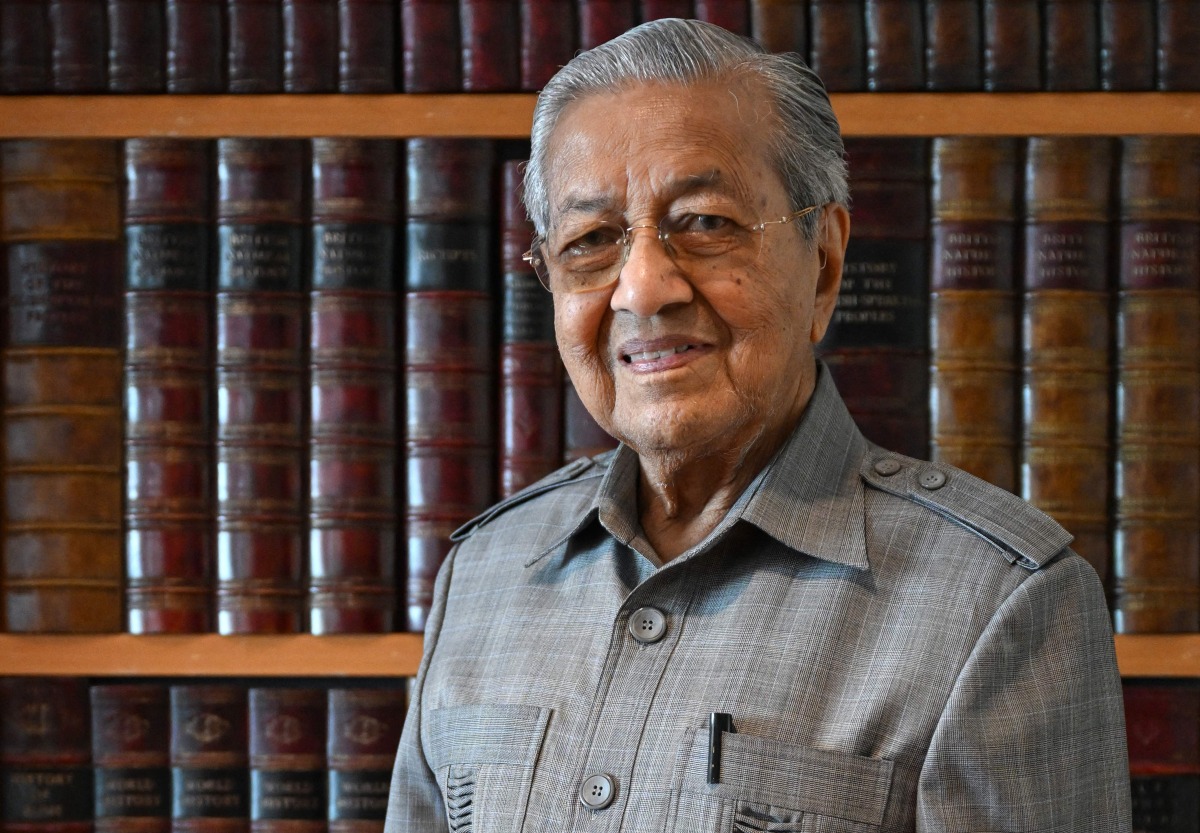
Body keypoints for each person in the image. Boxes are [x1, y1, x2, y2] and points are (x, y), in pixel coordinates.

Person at [384, 18, 1131, 832]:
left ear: (825, 264)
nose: (643, 290)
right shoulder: (482, 573)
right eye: (591, 240)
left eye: (705, 223)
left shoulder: (1003, 603)